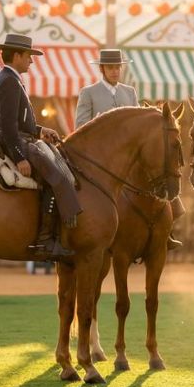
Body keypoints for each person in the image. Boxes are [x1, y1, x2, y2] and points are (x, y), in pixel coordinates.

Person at [75, 49, 184, 250]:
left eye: (118, 67)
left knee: (162, 173)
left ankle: (166, 230)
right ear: (102, 69)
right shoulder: (88, 93)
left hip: (131, 157)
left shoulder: (130, 92)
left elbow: (139, 126)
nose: (115, 71)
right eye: (111, 67)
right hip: (102, 159)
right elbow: (81, 127)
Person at [0, 33, 80, 257]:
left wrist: (40, 130)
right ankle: (45, 241)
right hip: (15, 141)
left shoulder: (9, 79)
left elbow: (18, 121)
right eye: (29, 56)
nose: (31, 60)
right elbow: (9, 126)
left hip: (20, 137)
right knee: (56, 178)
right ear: (17, 56)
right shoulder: (9, 81)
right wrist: (19, 156)